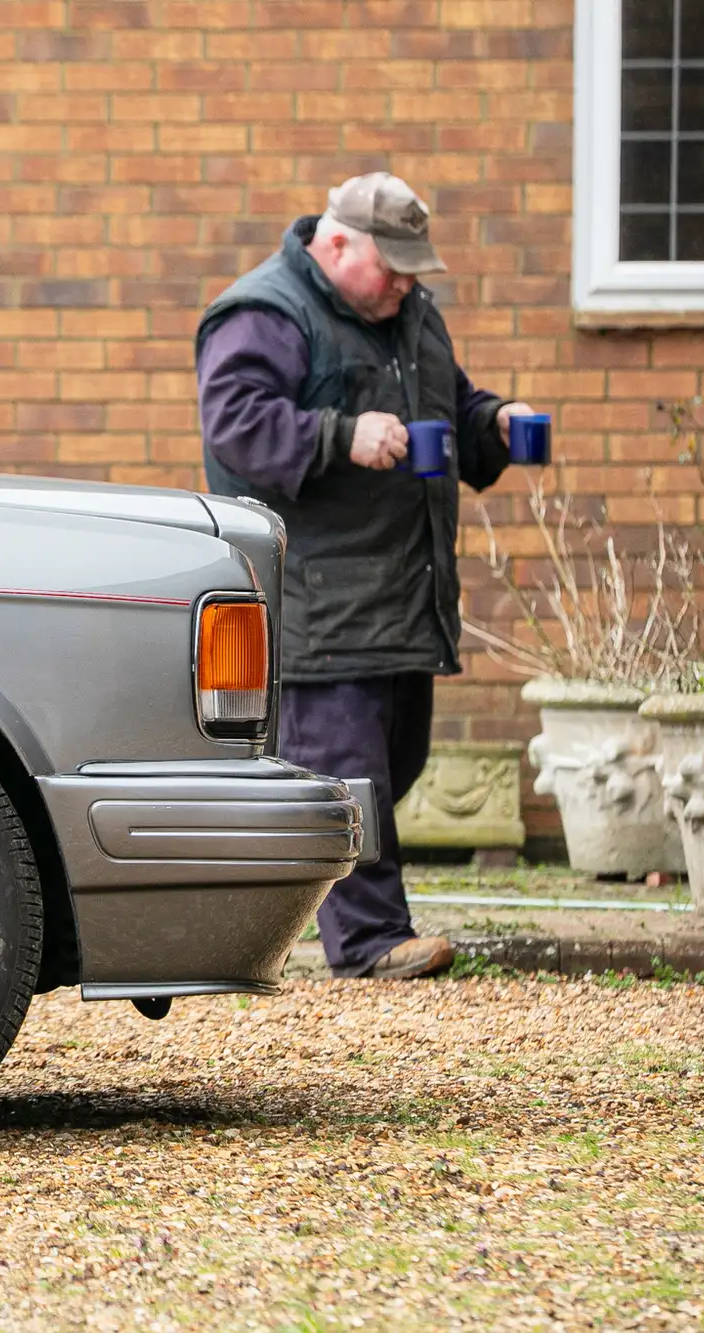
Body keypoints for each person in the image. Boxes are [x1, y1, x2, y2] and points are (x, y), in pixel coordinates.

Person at [193, 172, 536, 981]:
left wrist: (492, 423)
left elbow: (448, 403)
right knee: (350, 775)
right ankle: (372, 941)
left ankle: (252, 899)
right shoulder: (266, 314)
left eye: (417, 268)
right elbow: (236, 422)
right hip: (319, 592)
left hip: (403, 593)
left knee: (397, 760)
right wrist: (341, 436)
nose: (408, 283)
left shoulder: (409, 314)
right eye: (394, 266)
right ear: (336, 244)